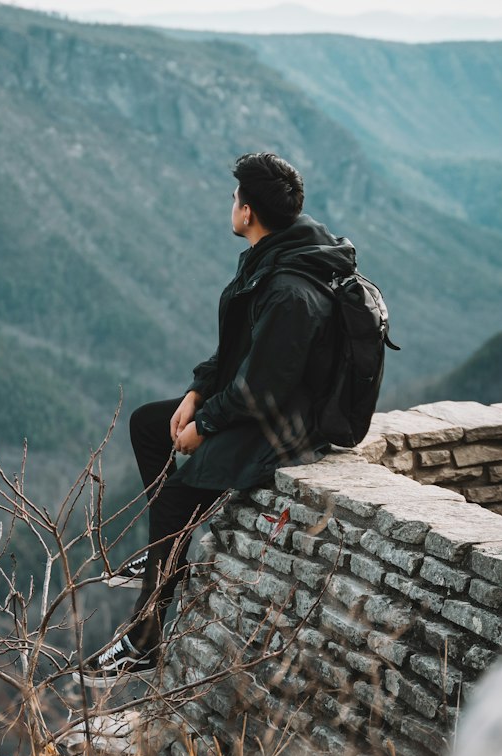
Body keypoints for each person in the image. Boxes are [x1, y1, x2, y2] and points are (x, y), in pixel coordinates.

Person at [75, 152, 357, 685]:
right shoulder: (271, 255)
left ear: (248, 212)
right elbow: (238, 351)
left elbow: (262, 388)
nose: (230, 206)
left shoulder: (290, 290)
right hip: (260, 404)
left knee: (179, 495)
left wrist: (204, 427)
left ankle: (144, 640)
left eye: (235, 199)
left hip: (286, 427)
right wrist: (197, 391)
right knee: (147, 424)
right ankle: (168, 553)